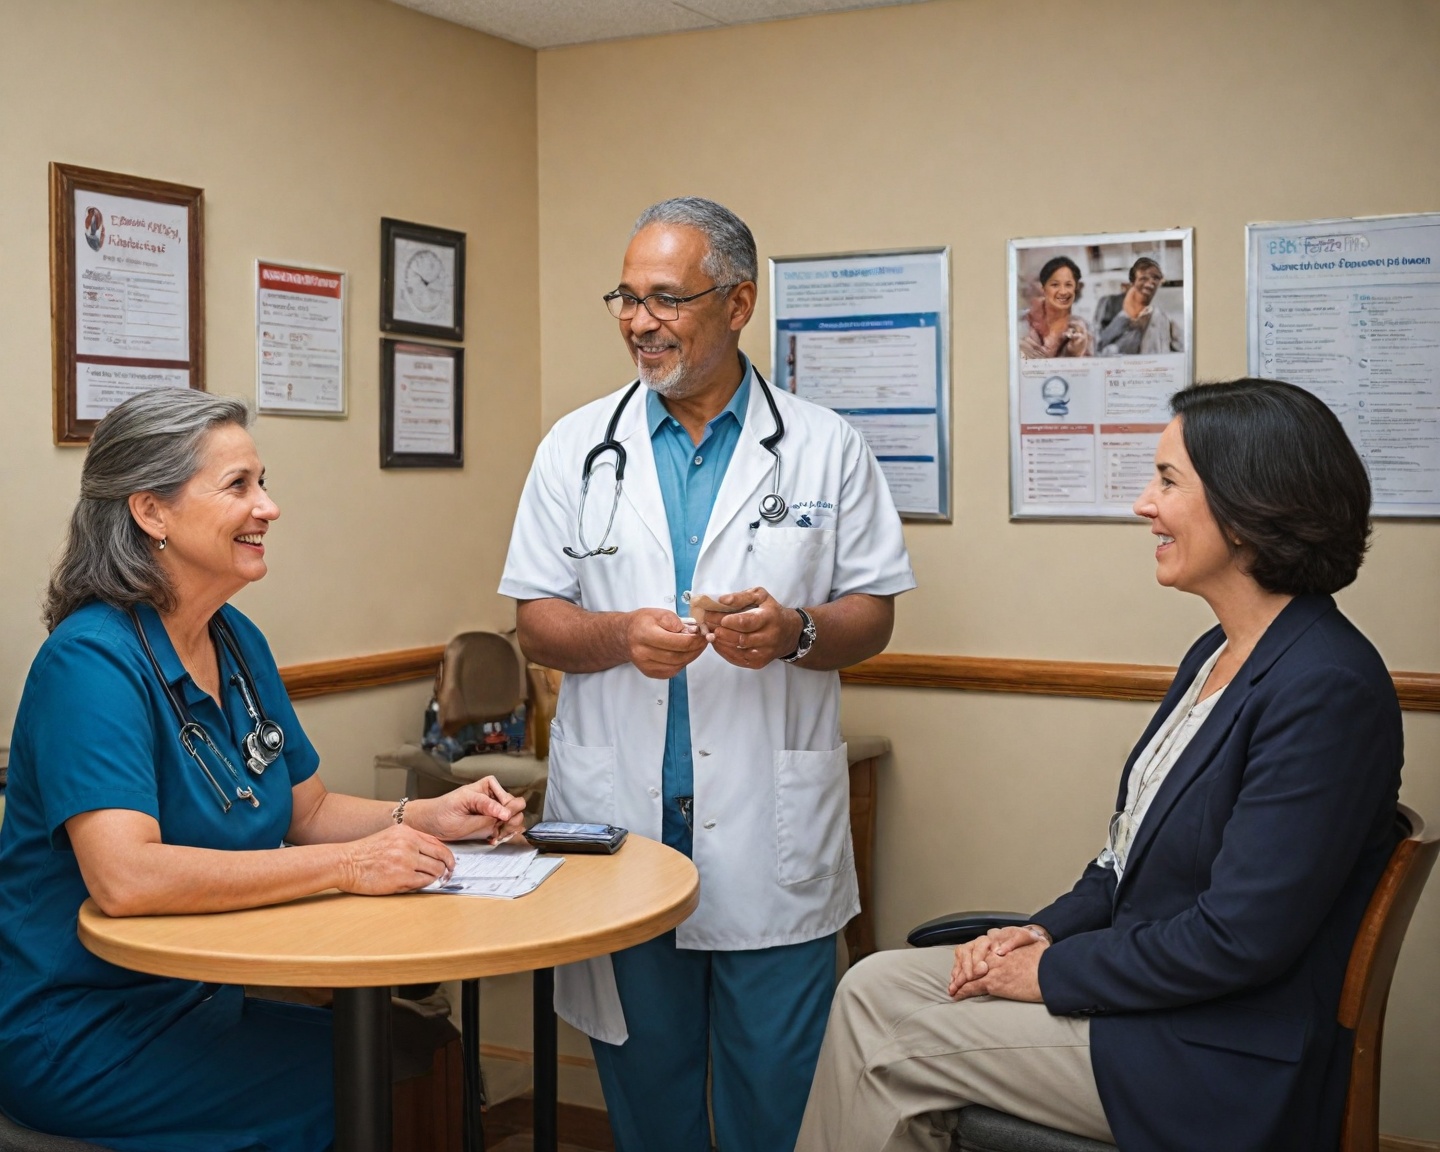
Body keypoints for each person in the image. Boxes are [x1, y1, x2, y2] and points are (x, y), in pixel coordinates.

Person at [796, 378, 1401, 1152]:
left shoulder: (1326, 688)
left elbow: (1237, 940)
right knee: (872, 982)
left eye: (1168, 481)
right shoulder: (1218, 653)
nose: (1144, 504)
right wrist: (1039, 934)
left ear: (1249, 509)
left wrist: (1049, 975)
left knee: (888, 1044)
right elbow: (1123, 861)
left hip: (1215, 1054)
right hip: (1160, 1003)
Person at [0, 388, 527, 1151]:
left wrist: (427, 817)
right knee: (353, 1084)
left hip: (196, 999)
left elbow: (305, 810)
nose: (268, 507)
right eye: (238, 485)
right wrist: (347, 866)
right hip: (80, 1028)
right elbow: (127, 878)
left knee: (418, 1052)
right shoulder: (89, 664)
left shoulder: (234, 639)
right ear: (151, 512)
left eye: (263, 482)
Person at [500, 196, 915, 1152]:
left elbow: (875, 613)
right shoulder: (575, 447)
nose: (638, 321)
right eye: (625, 297)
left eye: (665, 298)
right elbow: (535, 620)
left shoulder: (824, 446)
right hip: (623, 832)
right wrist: (619, 637)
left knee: (782, 1104)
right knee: (650, 1107)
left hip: (773, 836)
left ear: (737, 304)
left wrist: (797, 630)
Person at [1093, 256, 1184, 355]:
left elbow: (1181, 345)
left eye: (1155, 278)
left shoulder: (1163, 317)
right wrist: (1130, 323)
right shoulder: (1114, 308)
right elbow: (1102, 344)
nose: (1150, 284)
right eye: (1143, 279)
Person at [1018, 255, 1091, 359]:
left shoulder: (1081, 328)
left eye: (1068, 285)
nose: (1062, 292)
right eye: (1055, 284)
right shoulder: (1017, 324)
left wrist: (1075, 354)